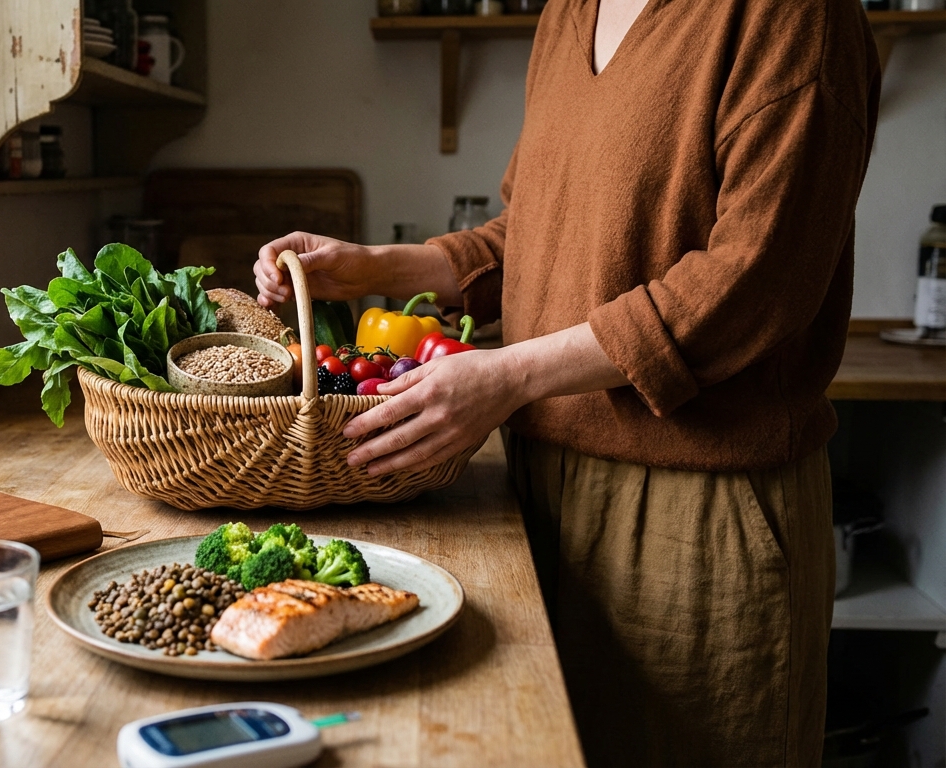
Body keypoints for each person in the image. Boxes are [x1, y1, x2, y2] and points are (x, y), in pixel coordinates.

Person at [254, 0, 880, 765]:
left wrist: (510, 374)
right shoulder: (568, 11)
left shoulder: (793, 16)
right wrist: (376, 267)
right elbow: (537, 230)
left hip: (697, 507)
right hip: (538, 487)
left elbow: (754, 282)